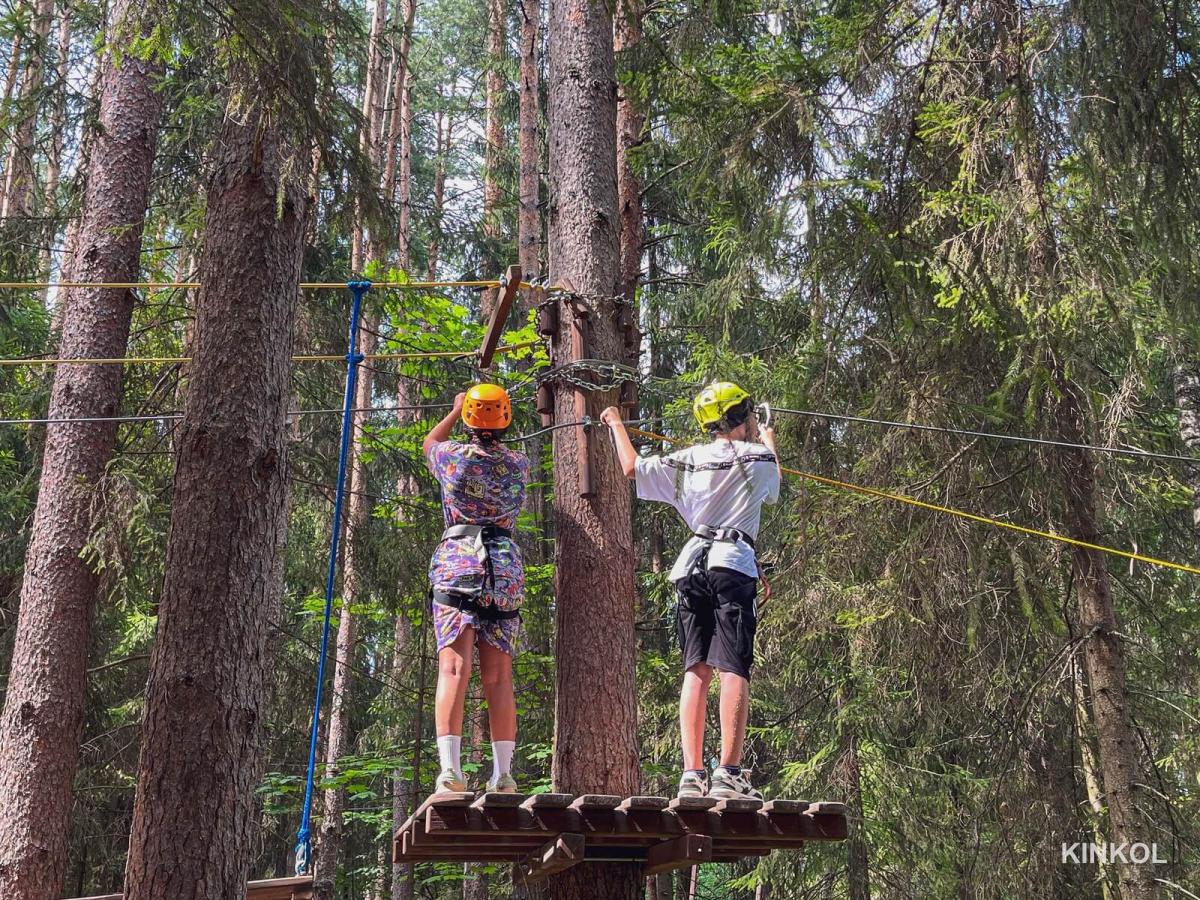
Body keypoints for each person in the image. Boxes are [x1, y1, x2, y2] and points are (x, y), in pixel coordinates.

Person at [601, 382, 780, 800]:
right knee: (733, 666)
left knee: (696, 667)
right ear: (742, 418)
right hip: (732, 563)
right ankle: (729, 773)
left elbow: (632, 468)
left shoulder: (687, 459)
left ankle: (692, 773)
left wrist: (613, 422)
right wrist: (770, 438)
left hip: (692, 565)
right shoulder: (758, 457)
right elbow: (773, 484)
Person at [423, 383, 530, 794]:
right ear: (504, 420)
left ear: (469, 418)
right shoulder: (518, 464)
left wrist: (452, 411)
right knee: (499, 677)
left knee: (453, 668)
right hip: (503, 568)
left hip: (458, 563)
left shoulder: (451, 458)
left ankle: (451, 772)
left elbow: (430, 441)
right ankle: (503, 775)